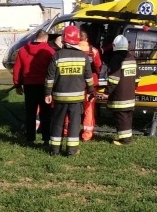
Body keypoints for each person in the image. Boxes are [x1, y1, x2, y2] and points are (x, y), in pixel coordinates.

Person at [44, 25, 94, 157]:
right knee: (74, 124)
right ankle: (71, 151)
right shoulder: (83, 57)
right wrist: (90, 91)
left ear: (64, 39)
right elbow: (89, 78)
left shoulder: (57, 56)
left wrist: (48, 93)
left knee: (57, 123)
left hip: (59, 97)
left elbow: (50, 78)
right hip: (77, 98)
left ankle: (54, 150)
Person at [12, 30, 56, 146]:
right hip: (45, 86)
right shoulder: (49, 51)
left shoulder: (22, 50)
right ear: (46, 39)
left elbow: (17, 69)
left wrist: (17, 84)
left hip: (29, 85)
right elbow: (53, 70)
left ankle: (30, 139)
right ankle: (46, 139)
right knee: (46, 113)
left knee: (30, 113)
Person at [104, 34, 137, 146]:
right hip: (130, 95)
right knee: (127, 117)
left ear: (114, 46)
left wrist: (107, 92)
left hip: (120, 96)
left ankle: (124, 140)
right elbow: (137, 78)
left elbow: (113, 79)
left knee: (121, 118)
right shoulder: (132, 58)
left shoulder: (116, 59)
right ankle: (127, 137)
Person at [78, 29, 102, 142]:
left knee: (71, 108)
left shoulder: (72, 50)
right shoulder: (94, 51)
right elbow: (98, 66)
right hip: (91, 85)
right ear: (87, 39)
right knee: (89, 110)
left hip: (75, 84)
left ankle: (67, 131)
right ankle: (87, 135)